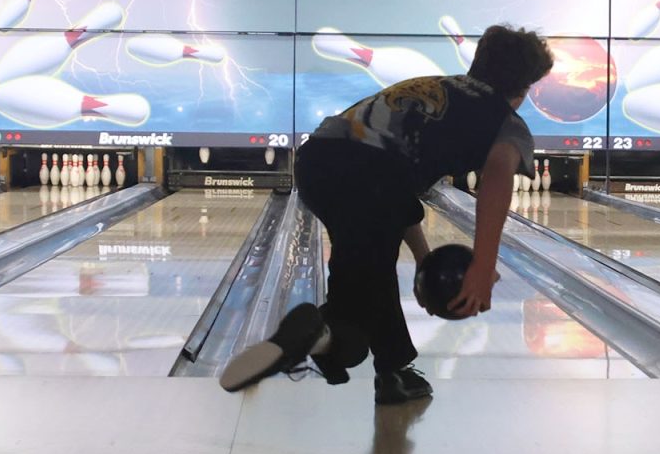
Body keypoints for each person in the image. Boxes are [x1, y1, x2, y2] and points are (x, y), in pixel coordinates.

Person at [220, 24, 555, 404]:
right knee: (353, 330)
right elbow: (496, 181)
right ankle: (324, 336)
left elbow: (394, 198)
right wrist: (482, 264)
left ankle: (389, 369)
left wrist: (423, 255)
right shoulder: (507, 124)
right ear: (525, 88)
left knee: (371, 282)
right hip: (371, 180)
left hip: (317, 162)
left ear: (478, 63)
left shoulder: (429, 84)